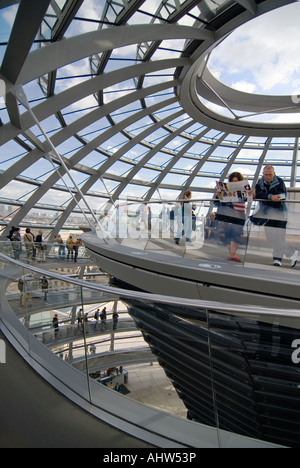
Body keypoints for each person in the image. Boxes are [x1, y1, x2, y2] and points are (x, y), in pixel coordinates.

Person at [255, 165, 298, 267]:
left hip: (280, 214)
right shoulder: (260, 183)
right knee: (270, 237)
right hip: (266, 214)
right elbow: (258, 194)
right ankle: (291, 253)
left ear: (274, 174)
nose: (268, 177)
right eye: (266, 175)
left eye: (270, 175)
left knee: (279, 237)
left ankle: (277, 259)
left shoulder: (279, 182)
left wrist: (268, 196)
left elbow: (281, 195)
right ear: (263, 174)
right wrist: (270, 196)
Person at [215, 172, 253, 262]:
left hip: (239, 214)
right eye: (233, 181)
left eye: (236, 181)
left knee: (236, 234)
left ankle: (233, 254)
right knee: (228, 234)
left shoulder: (245, 188)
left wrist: (251, 193)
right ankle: (232, 254)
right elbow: (218, 202)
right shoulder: (225, 188)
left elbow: (250, 198)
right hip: (228, 213)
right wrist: (218, 195)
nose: (234, 182)